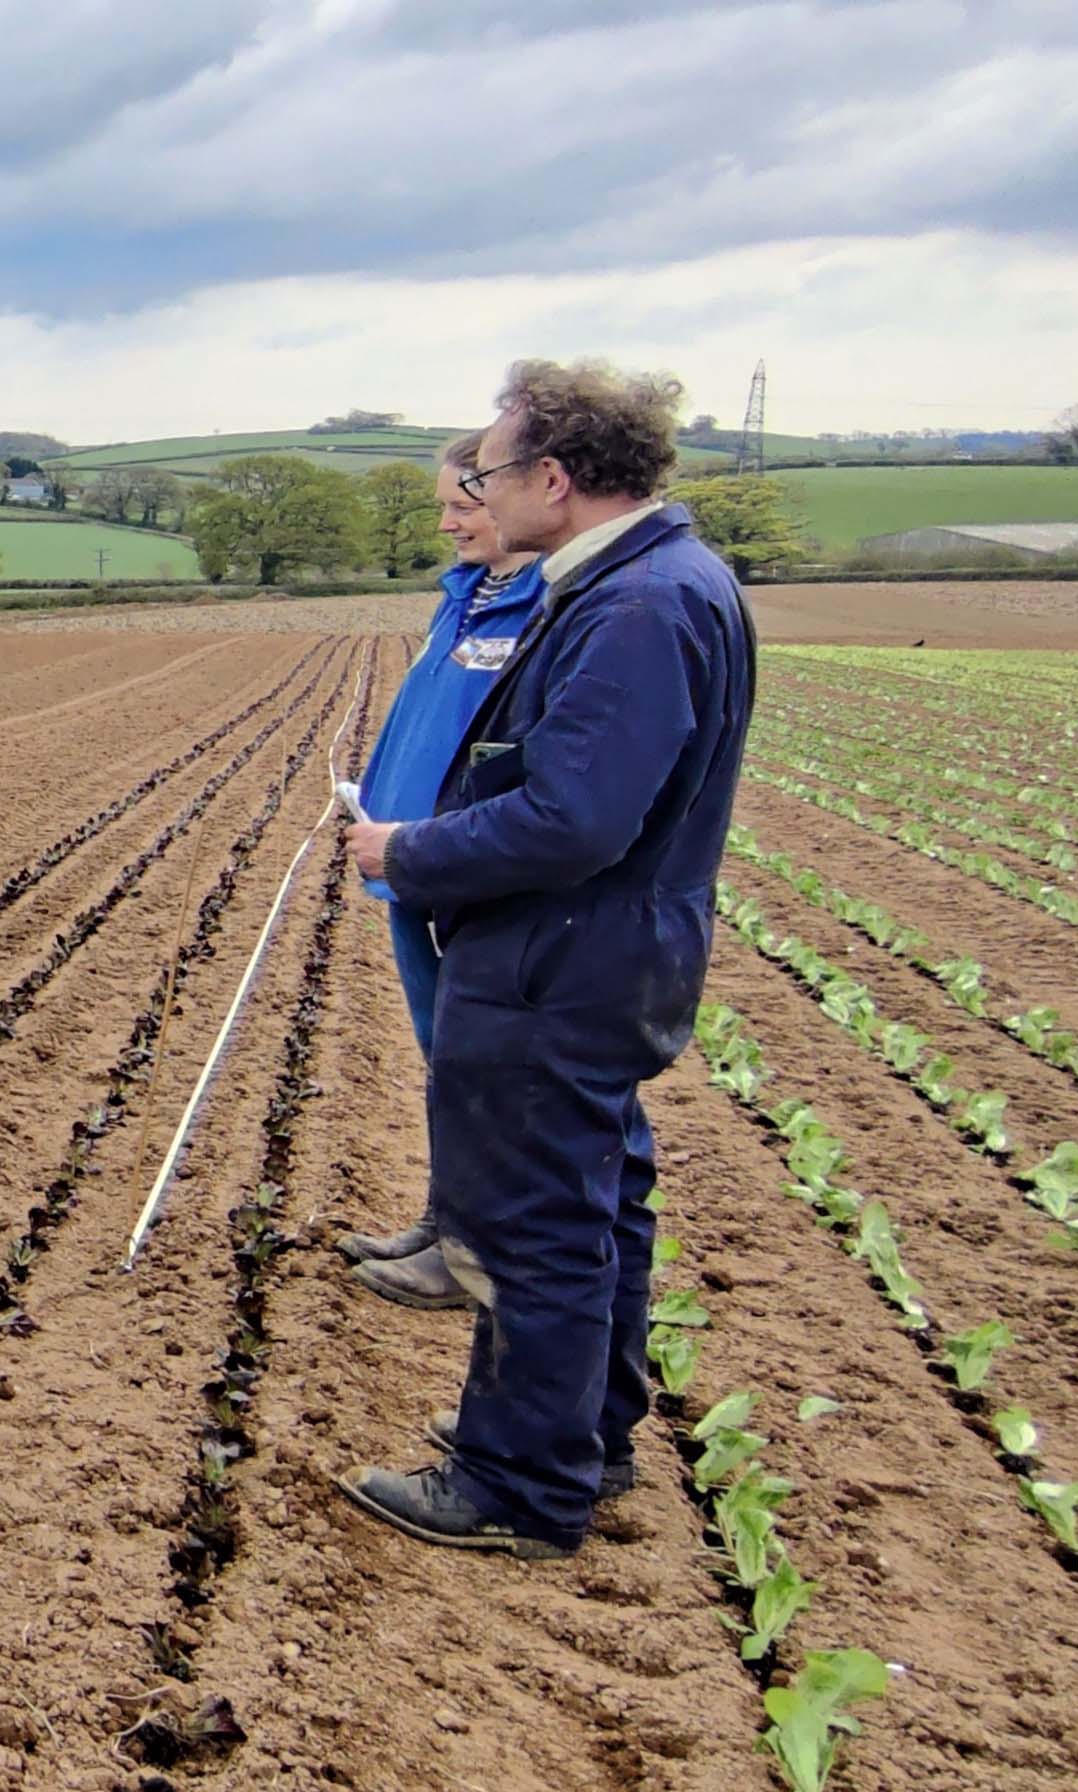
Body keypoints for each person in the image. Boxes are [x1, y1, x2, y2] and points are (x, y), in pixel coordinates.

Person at [338, 360, 753, 1560]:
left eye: (500, 468)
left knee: (538, 1227)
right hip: (602, 949)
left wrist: (408, 848)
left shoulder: (634, 607)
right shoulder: (658, 580)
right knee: (595, 1203)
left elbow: (574, 819)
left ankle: (518, 1482)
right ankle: (587, 1438)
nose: (483, 489)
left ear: (556, 480)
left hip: (562, 958)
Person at [339, 430, 549, 1310]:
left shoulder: (544, 609)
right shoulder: (466, 598)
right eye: (444, 507)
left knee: (478, 1066)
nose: (448, 523)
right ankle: (446, 1218)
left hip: (469, 872)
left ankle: (472, 1251)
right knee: (444, 1057)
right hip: (415, 867)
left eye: (463, 505)